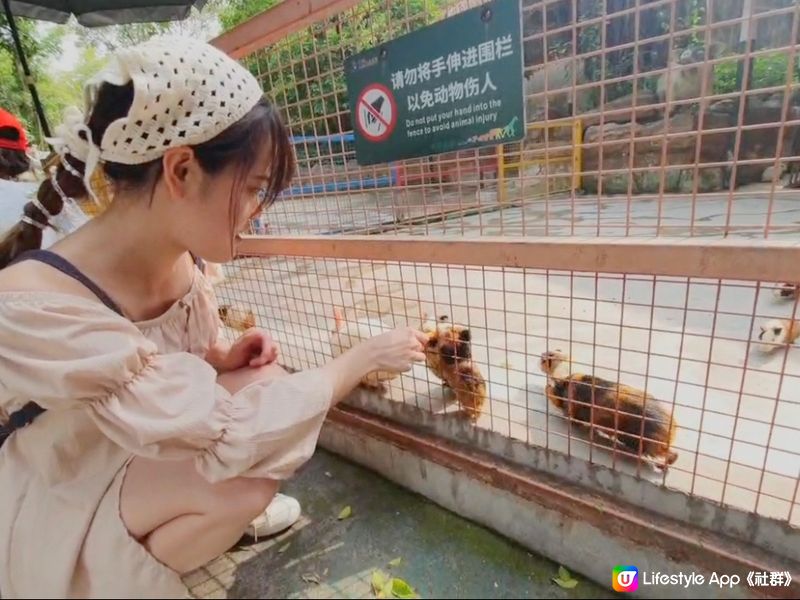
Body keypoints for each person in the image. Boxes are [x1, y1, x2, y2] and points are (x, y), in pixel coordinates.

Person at [0, 36, 427, 599]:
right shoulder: (33, 301)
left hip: (125, 448)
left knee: (262, 382)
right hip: (57, 484)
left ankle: (172, 544)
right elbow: (229, 435)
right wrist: (359, 360)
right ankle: (106, 578)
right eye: (253, 188)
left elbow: (159, 367)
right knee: (241, 475)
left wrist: (221, 355)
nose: (260, 210)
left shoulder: (179, 258)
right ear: (180, 170)